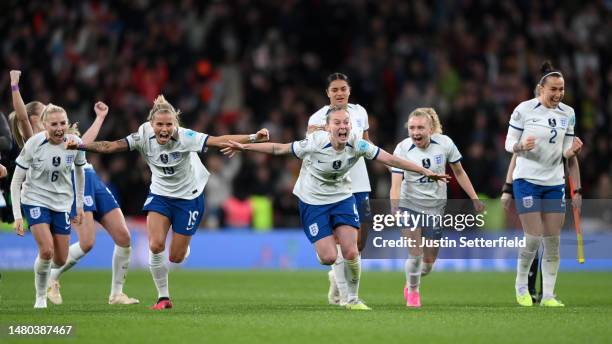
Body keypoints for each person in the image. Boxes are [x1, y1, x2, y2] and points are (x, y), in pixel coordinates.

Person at [222, 104, 450, 310]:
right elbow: (278, 149)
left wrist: (423, 171)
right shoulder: (314, 142)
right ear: (328, 127)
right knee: (329, 257)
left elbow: (390, 159)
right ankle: (334, 271)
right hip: (313, 200)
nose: (343, 127)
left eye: (346, 123)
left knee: (352, 250)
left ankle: (352, 299)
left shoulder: (357, 143)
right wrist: (245, 147)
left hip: (342, 196)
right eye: (338, 123)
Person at [67, 95, 270, 310]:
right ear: (151, 123)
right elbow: (111, 146)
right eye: (159, 124)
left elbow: (218, 140)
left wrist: (253, 137)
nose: (164, 129)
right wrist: (81, 146)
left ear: (176, 124)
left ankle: (183, 248)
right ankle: (163, 298)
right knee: (155, 245)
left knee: (176, 256)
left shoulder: (185, 137)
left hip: (189, 198)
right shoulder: (143, 134)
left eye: (169, 124)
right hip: (160, 195)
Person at [9, 70, 138, 305]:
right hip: (56, 189)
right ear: (38, 120)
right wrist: (15, 86)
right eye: (44, 112)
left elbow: (83, 146)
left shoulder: (65, 133)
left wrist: (99, 119)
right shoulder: (35, 137)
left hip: (87, 175)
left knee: (123, 236)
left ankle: (116, 293)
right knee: (84, 242)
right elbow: (22, 115)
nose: (53, 114)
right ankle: (49, 281)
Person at [504, 61, 582, 307]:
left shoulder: (567, 113)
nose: (558, 94)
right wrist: (520, 147)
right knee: (533, 237)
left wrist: (572, 158)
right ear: (541, 89)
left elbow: (566, 154)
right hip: (526, 180)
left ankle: (548, 295)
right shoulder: (524, 110)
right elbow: (508, 143)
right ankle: (520, 287)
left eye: (562, 89)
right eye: (554, 89)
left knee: (553, 240)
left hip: (554, 182)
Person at [390, 107, 484, 308]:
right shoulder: (402, 149)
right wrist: (395, 207)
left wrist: (474, 198)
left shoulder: (445, 144)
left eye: (420, 128)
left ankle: (411, 281)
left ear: (431, 129)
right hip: (409, 205)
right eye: (412, 128)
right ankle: (414, 292)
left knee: (428, 263)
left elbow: (459, 172)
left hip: (435, 209)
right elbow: (396, 183)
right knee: (415, 255)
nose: (416, 132)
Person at [10, 102, 86, 309]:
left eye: (63, 123)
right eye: (54, 124)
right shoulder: (34, 144)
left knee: (60, 259)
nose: (59, 128)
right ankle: (41, 297)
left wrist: (79, 205)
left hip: (62, 202)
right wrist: (18, 216)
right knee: (46, 251)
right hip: (35, 199)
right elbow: (16, 181)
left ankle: (44, 269)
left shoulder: (74, 143)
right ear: (44, 125)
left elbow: (80, 172)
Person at [307, 72, 372, 306]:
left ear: (349, 90)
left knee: (359, 243)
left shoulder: (360, 112)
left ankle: (337, 279)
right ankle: (347, 296)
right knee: (340, 240)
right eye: (334, 90)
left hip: (359, 178)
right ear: (327, 93)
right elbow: (312, 150)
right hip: (333, 182)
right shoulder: (317, 118)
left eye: (343, 88)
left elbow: (366, 142)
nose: (339, 93)